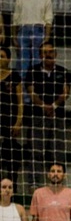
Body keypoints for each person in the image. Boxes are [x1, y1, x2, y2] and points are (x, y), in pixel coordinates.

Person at [24, 41, 68, 177]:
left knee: (57, 151)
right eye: (44, 52)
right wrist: (44, 106)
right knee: (36, 151)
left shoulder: (63, 71)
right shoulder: (32, 70)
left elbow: (65, 92)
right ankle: (34, 182)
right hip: (38, 116)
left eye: (50, 52)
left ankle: (57, 181)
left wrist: (53, 106)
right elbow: (31, 92)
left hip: (57, 115)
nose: (47, 55)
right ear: (40, 55)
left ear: (55, 54)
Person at [12, 0, 52, 78]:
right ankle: (23, 90)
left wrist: (47, 37)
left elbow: (48, 20)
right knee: (23, 61)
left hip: (38, 31)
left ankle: (36, 88)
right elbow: (15, 20)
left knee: (37, 61)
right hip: (23, 31)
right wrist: (14, 37)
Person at [0, 48, 24, 185]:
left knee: (12, 156)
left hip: (10, 122)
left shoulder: (14, 76)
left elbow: (20, 101)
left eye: (2, 56)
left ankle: (11, 187)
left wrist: (18, 122)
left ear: (8, 59)